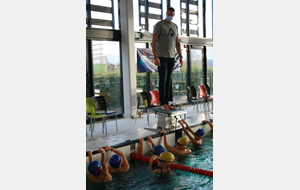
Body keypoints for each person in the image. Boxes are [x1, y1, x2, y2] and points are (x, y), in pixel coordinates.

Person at [152, 7, 183, 111]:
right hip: (162, 57)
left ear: (174, 15)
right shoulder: (159, 25)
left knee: (168, 81)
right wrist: (155, 57)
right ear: (166, 13)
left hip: (171, 57)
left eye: (172, 15)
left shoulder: (175, 26)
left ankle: (167, 102)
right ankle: (162, 103)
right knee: (163, 80)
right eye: (168, 14)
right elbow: (153, 42)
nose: (170, 16)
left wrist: (180, 56)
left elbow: (177, 43)